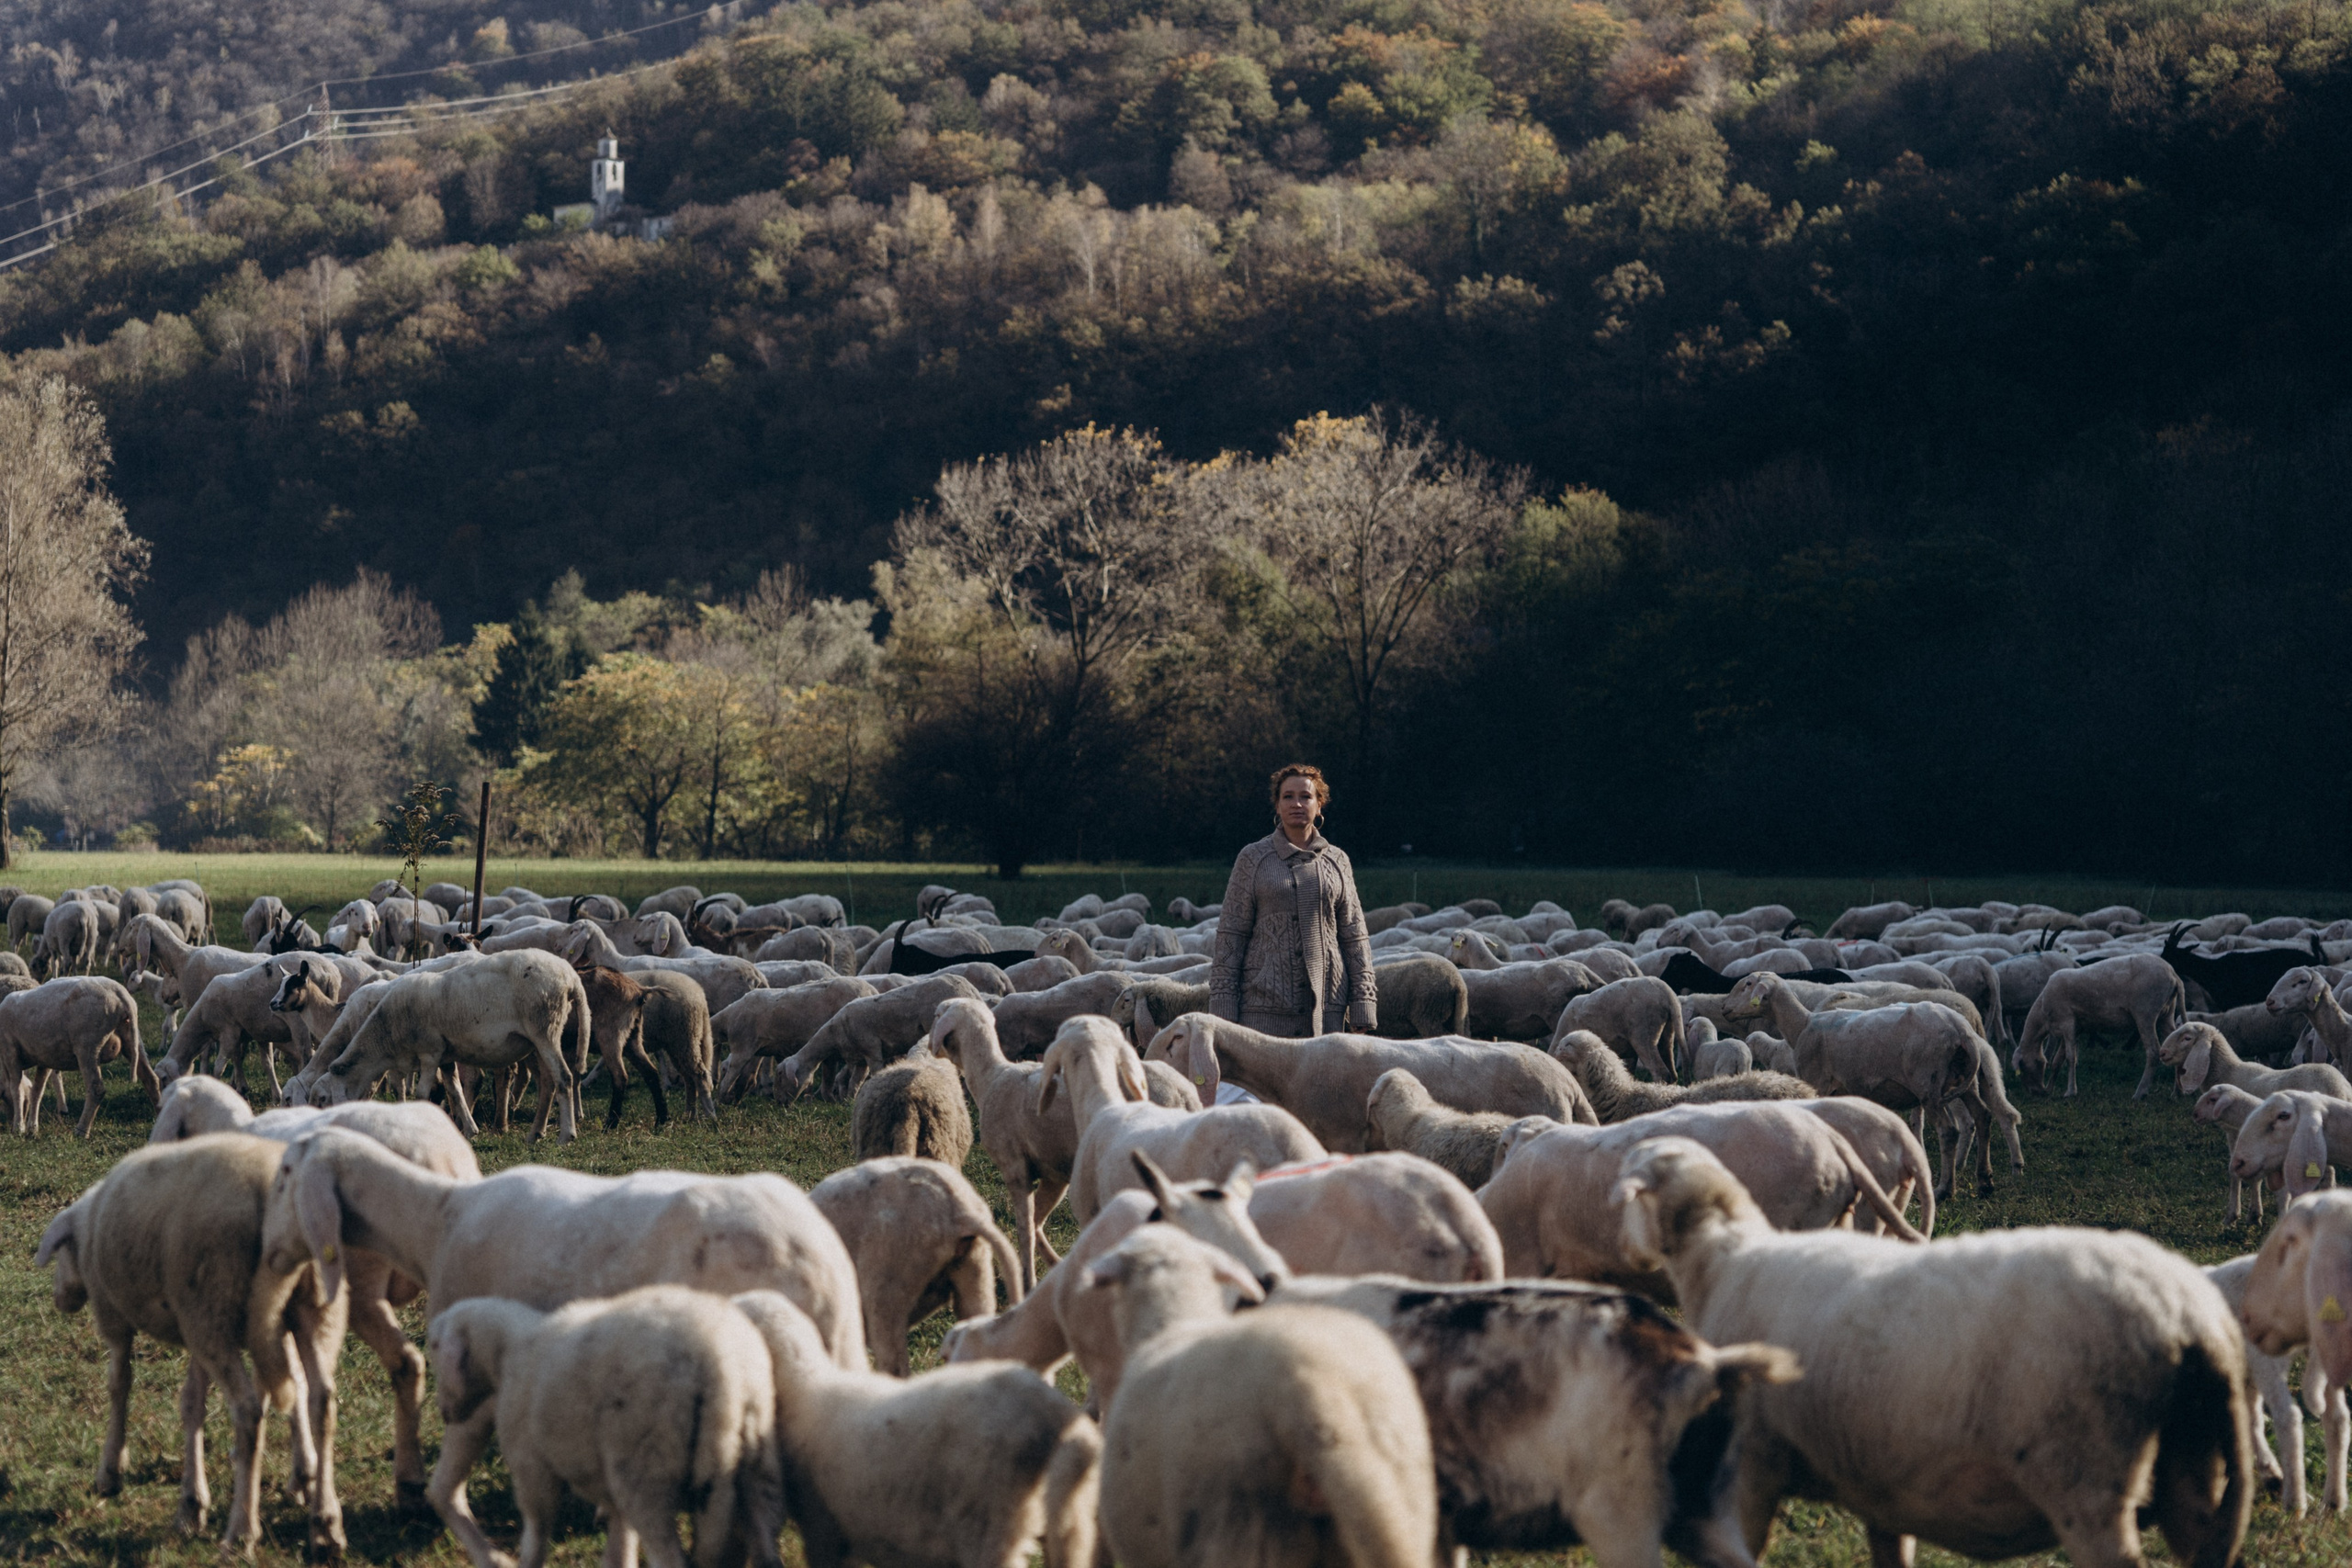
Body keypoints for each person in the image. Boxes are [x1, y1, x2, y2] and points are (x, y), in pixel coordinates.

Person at [1208, 763, 1377, 1039]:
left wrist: (1363, 1003)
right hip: (1263, 1013)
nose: (1296, 803)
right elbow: (1231, 936)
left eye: (1306, 796)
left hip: (1327, 1013)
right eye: (1287, 796)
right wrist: (1222, 1011)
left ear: (1319, 805)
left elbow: (1354, 935)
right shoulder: (1252, 859)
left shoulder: (1338, 860)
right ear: (1277, 805)